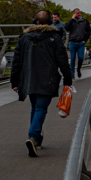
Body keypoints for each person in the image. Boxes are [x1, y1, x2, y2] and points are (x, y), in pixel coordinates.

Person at [10, 9, 72, 157]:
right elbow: (62, 60)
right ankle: (32, 136)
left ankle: (36, 139)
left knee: (35, 107)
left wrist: (14, 80)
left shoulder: (24, 38)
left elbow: (16, 61)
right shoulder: (55, 38)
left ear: (34, 21)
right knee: (41, 108)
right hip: (48, 78)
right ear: (50, 21)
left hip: (29, 78)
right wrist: (67, 79)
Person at [65, 8, 91, 78]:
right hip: (72, 42)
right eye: (77, 13)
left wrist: (84, 40)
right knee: (72, 58)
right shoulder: (71, 22)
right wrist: (72, 19)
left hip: (81, 43)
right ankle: (72, 73)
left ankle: (78, 69)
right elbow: (66, 28)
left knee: (80, 58)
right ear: (74, 14)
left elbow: (88, 31)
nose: (79, 14)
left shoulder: (85, 21)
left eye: (79, 13)